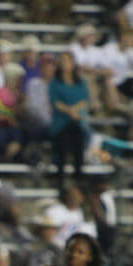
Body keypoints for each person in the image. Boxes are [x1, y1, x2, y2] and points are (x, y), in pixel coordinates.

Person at [50, 51, 89, 187]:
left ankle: (79, 180)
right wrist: (70, 111)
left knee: (79, 148)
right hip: (61, 123)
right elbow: (55, 102)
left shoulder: (80, 82)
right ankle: (61, 182)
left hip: (76, 122)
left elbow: (84, 100)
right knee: (62, 149)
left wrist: (75, 110)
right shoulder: (55, 83)